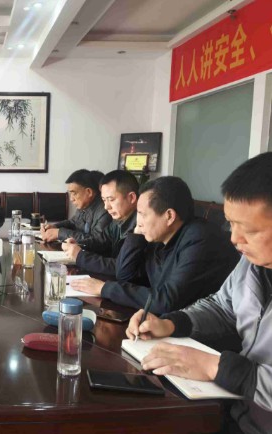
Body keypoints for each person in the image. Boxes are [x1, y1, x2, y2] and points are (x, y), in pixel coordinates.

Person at [126, 153, 272, 434]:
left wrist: (217, 367)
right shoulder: (252, 262)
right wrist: (171, 323)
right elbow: (222, 307)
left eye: (250, 230)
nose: (234, 239)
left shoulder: (199, 238)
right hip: (234, 411)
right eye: (231, 224)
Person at [72, 176, 239, 314]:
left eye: (142, 214)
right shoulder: (159, 237)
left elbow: (167, 301)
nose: (138, 222)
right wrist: (136, 235)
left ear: (169, 216)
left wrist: (105, 288)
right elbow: (124, 275)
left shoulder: (200, 239)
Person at [62, 170, 138, 276]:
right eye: (104, 200)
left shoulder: (141, 227)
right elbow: (100, 241)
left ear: (131, 198)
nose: (106, 207)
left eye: (111, 199)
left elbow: (122, 267)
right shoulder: (118, 221)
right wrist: (77, 244)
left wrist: (80, 256)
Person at [41, 169, 111, 243]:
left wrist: (60, 233)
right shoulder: (84, 205)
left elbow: (96, 240)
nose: (71, 199)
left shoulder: (105, 210)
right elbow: (73, 223)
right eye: (70, 194)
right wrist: (55, 226)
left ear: (89, 192)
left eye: (74, 193)